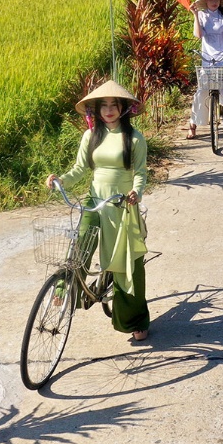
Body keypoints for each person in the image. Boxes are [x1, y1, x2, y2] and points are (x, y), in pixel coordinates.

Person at [47, 80, 151, 342]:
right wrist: (60, 180)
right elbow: (79, 169)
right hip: (95, 201)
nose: (108, 110)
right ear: (96, 110)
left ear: (123, 108)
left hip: (121, 205)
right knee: (79, 246)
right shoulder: (90, 136)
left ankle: (134, 319)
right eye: (103, 106)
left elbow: (140, 174)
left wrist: (136, 193)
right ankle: (64, 291)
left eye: (114, 105)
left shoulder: (135, 138)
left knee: (127, 264)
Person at [190, 0, 223, 139]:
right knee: (202, 91)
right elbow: (199, 35)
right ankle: (193, 123)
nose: (214, 2)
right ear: (206, 1)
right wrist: (195, 15)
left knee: (222, 83)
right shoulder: (203, 16)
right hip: (207, 56)